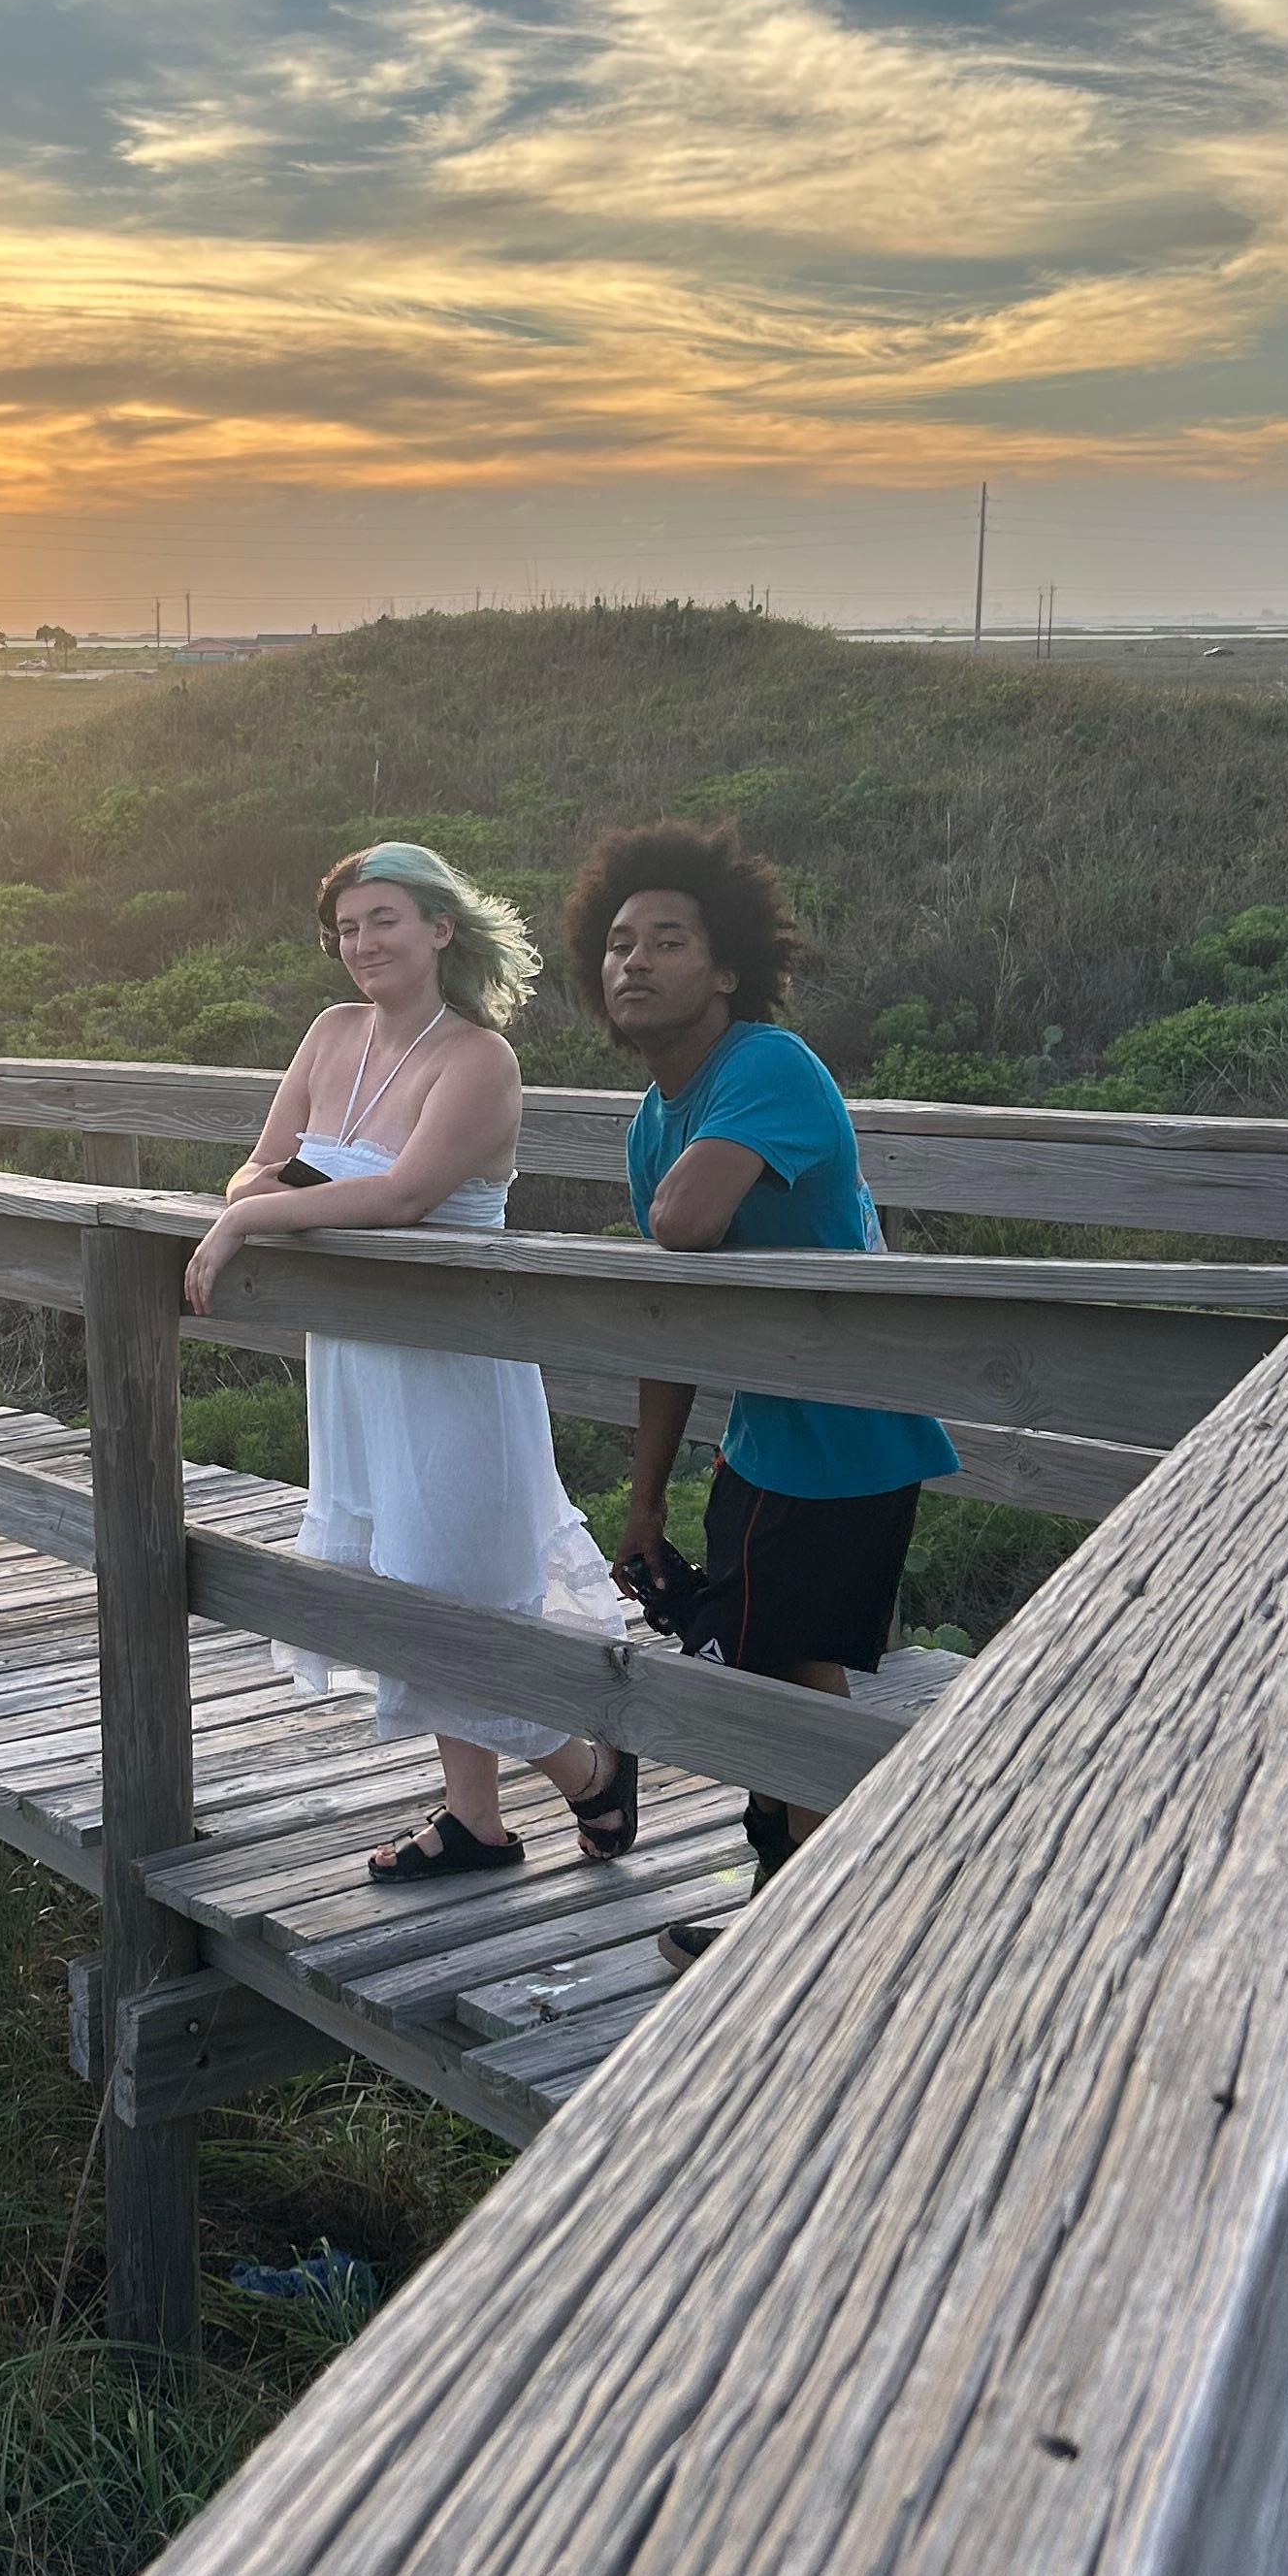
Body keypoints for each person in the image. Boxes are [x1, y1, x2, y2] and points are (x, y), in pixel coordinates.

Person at [181, 842, 636, 1880]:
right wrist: (254, 1195)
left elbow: (403, 1195)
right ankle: (476, 1821)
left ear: (440, 927)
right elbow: (258, 1162)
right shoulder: (330, 1033)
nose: (362, 943)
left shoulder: (477, 1060)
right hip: (355, 1361)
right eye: (346, 928)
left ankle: (587, 1770)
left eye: (383, 919)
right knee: (401, 1578)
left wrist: (249, 1220)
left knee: (457, 1585)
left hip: (452, 1362)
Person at [562, 820, 959, 1968]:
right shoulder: (652, 1119)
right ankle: (801, 1911)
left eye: (667, 942)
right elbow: (670, 1316)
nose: (635, 962)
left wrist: (668, 1202)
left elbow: (686, 1224)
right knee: (780, 1667)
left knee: (778, 1674)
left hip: (848, 1430)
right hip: (770, 1435)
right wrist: (645, 1501)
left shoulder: (768, 1066)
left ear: (726, 967)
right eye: (619, 944)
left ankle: (823, 1915)